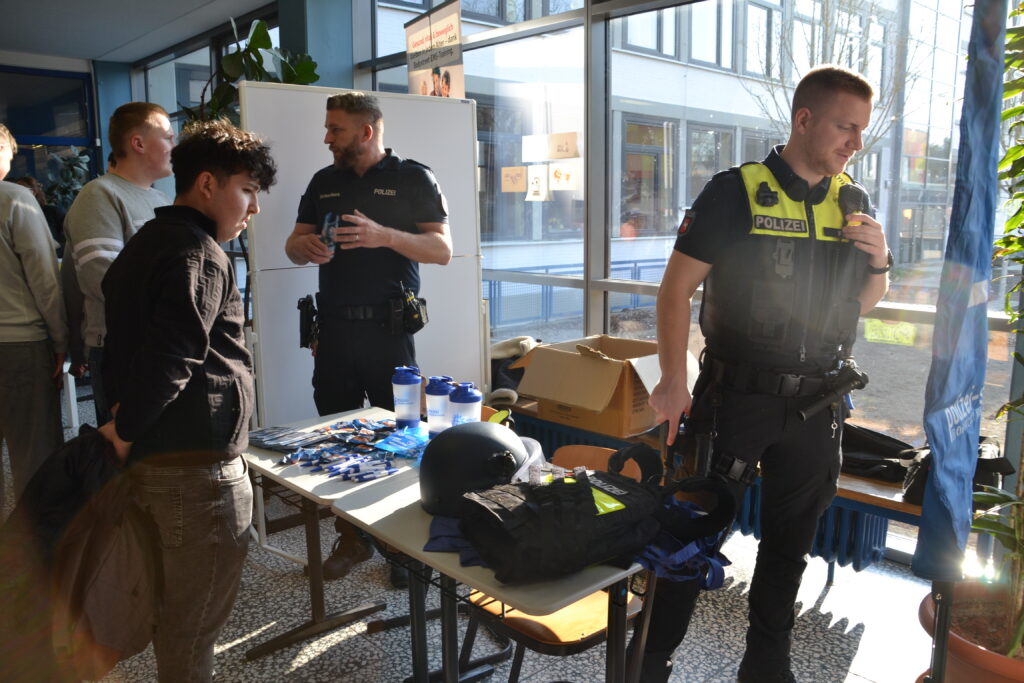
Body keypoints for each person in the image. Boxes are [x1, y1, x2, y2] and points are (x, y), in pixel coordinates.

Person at [639, 65, 891, 683]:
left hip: (817, 405)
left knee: (788, 550)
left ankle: (766, 668)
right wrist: (672, 380)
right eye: (846, 127)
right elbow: (674, 292)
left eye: (862, 130)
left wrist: (881, 261)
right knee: (687, 538)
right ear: (804, 120)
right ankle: (649, 664)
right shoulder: (734, 192)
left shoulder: (852, 202)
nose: (856, 143)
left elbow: (861, 304)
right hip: (735, 399)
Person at [98, 118, 276, 682]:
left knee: (174, 613)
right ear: (206, 184)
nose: (253, 208)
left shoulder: (145, 244)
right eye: (247, 190)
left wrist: (123, 425)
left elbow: (119, 347)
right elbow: (171, 356)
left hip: (157, 462)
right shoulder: (199, 254)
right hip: (196, 476)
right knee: (191, 628)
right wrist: (124, 429)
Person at [285, 92, 451, 585]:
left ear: (366, 131)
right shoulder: (323, 181)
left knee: (403, 438)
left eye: (335, 128)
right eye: (327, 128)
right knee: (337, 438)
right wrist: (303, 246)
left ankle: (404, 549)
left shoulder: (413, 177)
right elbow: (292, 245)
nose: (327, 137)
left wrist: (385, 235)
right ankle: (353, 538)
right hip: (334, 333)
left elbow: (442, 249)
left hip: (389, 334)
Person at [64, 102, 174, 426]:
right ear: (138, 143)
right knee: (128, 449)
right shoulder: (99, 195)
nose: (174, 145)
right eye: (167, 137)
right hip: (122, 347)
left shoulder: (160, 199)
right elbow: (104, 280)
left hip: (159, 344)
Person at [0, 123, 68, 507]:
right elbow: (45, 278)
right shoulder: (15, 199)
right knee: (34, 455)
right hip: (19, 347)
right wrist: (61, 341)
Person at [13, 176, 65, 255]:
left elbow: (68, 238)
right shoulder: (13, 215)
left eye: (20, 190)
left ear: (33, 192)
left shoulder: (53, 212)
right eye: (15, 190)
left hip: (55, 257)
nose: (17, 193)